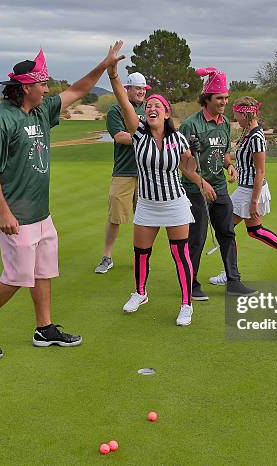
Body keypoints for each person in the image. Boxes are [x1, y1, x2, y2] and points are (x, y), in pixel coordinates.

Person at [0, 43, 124, 359]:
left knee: (43, 271)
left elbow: (79, 89)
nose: (47, 88)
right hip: (16, 215)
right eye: (42, 84)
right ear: (25, 87)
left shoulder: (40, 110)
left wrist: (104, 65)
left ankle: (44, 328)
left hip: (41, 212)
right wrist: (4, 211)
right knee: (16, 277)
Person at [106, 42, 197, 326]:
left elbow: (188, 169)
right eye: (148, 106)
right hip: (147, 204)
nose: (152, 108)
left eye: (158, 106)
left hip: (174, 204)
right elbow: (123, 100)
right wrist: (113, 74)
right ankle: (140, 292)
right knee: (141, 253)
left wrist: (197, 166)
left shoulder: (179, 139)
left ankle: (186, 304)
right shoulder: (139, 135)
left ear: (167, 113)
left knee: (180, 255)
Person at [208, 97, 277, 286]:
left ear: (245, 114)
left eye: (236, 114)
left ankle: (230, 273)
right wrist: (233, 167)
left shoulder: (256, 137)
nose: (235, 118)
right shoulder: (249, 133)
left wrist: (253, 201)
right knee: (254, 231)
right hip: (246, 188)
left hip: (251, 191)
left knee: (225, 228)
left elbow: (260, 171)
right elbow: (247, 162)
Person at [180, 67, 256, 301]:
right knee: (197, 239)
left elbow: (223, 153)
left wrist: (229, 166)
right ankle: (191, 284)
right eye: (219, 98)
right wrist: (201, 183)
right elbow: (183, 165)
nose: (224, 102)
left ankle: (234, 281)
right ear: (207, 99)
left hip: (219, 187)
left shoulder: (224, 124)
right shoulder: (190, 125)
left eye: (226, 98)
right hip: (195, 190)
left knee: (227, 233)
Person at [94, 72, 149, 274]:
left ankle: (141, 256)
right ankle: (107, 257)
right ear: (127, 89)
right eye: (137, 88)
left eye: (143, 89)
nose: (141, 92)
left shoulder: (148, 109)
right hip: (124, 171)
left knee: (144, 217)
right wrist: (146, 137)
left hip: (147, 172)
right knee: (115, 216)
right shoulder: (116, 110)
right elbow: (120, 137)